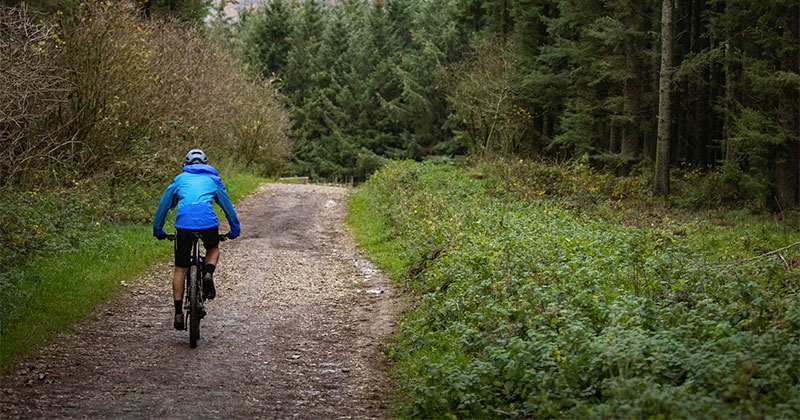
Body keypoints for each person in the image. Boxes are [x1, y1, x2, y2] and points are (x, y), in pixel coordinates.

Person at [152, 149, 241, 330]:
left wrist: (158, 230)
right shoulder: (213, 180)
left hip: (184, 224)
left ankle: (178, 313)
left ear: (186, 164)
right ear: (205, 164)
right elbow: (227, 206)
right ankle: (208, 273)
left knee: (180, 268)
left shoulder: (179, 179)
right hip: (208, 222)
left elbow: (164, 205)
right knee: (212, 248)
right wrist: (234, 229)